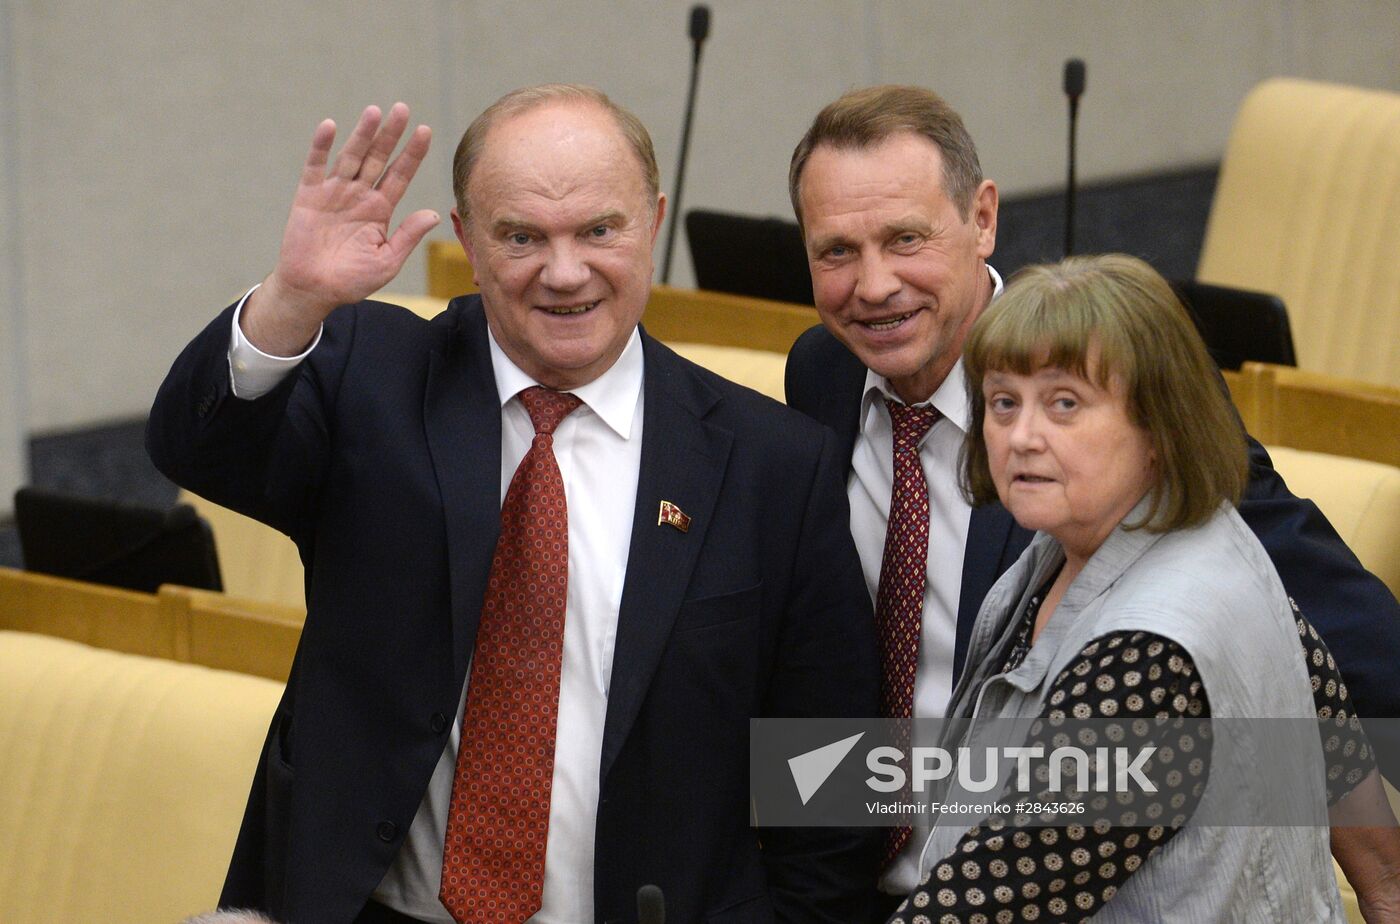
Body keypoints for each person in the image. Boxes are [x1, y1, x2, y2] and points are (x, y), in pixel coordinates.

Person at [148, 85, 880, 924]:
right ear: (467, 236)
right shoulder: (371, 377)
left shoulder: (774, 463)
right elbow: (193, 445)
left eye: (599, 230)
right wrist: (292, 298)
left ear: (653, 220)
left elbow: (831, 786)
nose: (564, 273)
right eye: (522, 236)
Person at [782, 85, 1400, 909]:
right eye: (836, 252)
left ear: (982, 218)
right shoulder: (821, 374)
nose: (874, 285)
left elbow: (1303, 628)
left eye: (905, 239)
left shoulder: (1131, 400)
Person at [890, 253, 1344, 922]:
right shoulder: (1172, 544)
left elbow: (991, 900)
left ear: (1159, 427)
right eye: (1004, 402)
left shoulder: (1147, 653)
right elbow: (1337, 739)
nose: (1022, 437)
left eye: (1065, 404)